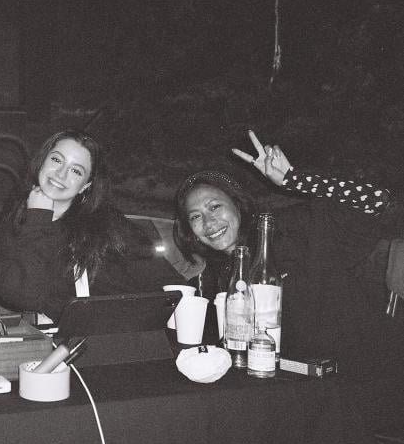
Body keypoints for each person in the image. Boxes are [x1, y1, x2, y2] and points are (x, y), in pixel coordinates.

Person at [173, 130, 404, 372]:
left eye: (215, 206)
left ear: (237, 205)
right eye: (196, 216)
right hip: (291, 382)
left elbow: (378, 201)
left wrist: (297, 180)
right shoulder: (222, 274)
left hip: (363, 372)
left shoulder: (290, 229)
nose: (208, 223)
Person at [0, 129, 182, 321]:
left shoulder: (108, 226)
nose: (61, 174)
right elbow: (20, 297)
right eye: (56, 160)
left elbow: (171, 285)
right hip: (58, 341)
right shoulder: (17, 220)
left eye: (76, 170)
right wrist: (38, 218)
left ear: (85, 185)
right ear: (42, 162)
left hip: (116, 335)